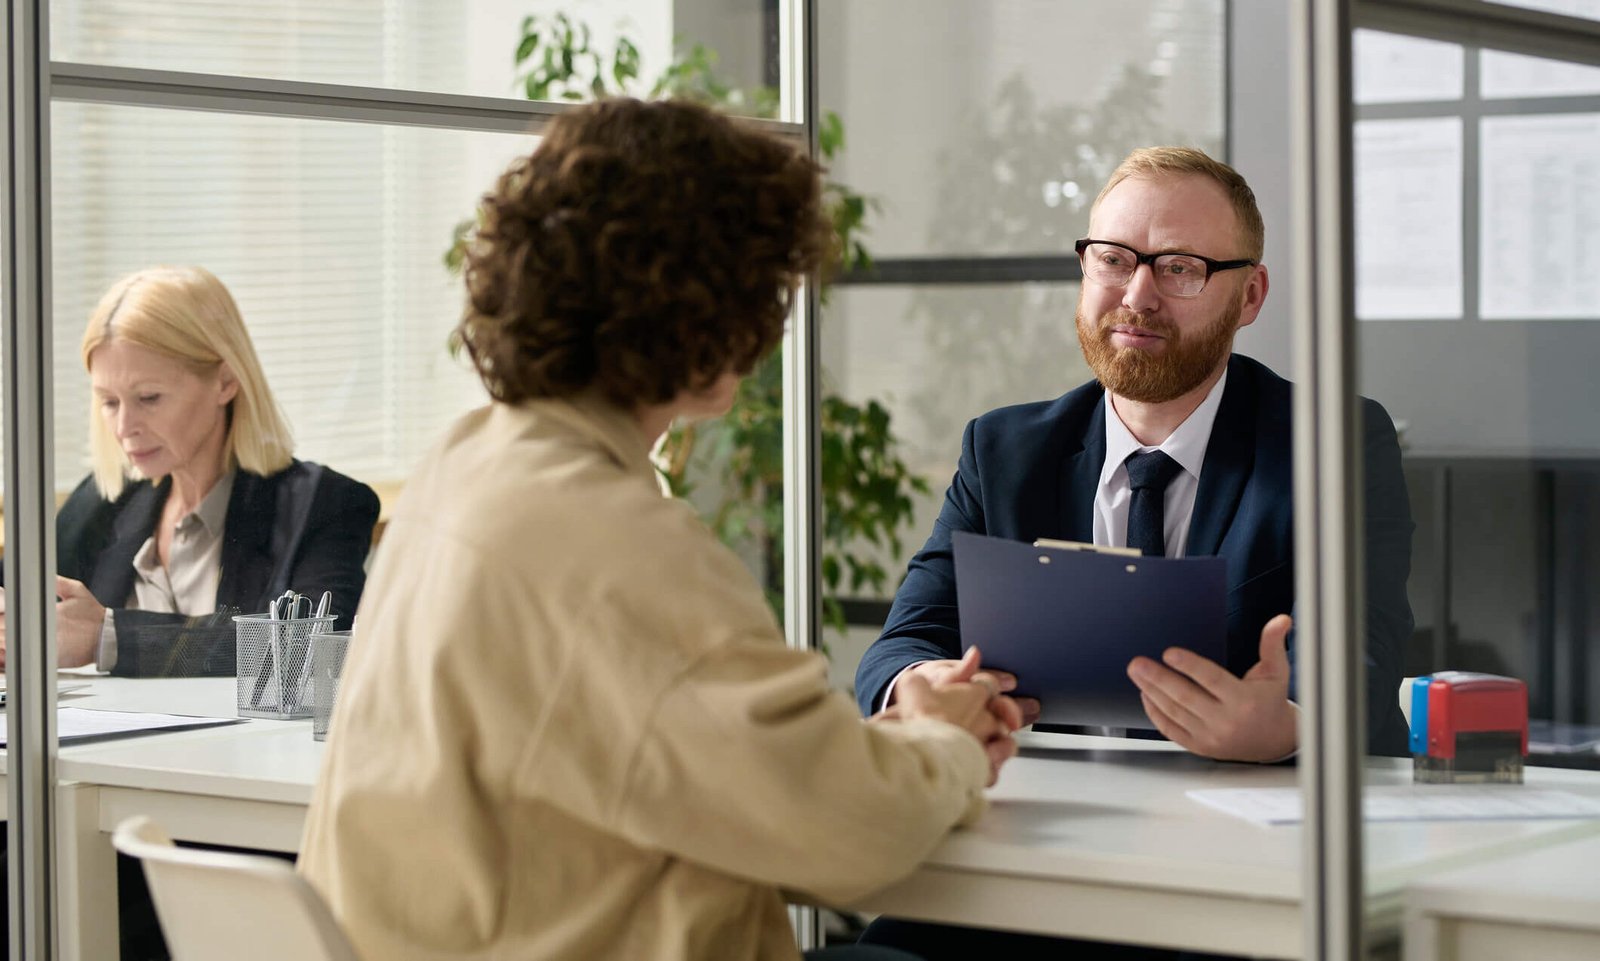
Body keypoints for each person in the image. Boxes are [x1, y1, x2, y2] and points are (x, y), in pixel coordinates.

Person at [297, 97, 1023, 961]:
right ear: (711, 307)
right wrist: (945, 740)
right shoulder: (618, 539)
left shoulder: (459, 467)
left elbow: (708, 760)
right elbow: (846, 834)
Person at [850, 147, 1415, 960]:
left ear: (1249, 293)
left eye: (1180, 267)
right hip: (1024, 865)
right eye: (1113, 259)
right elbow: (903, 641)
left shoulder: (1335, 442)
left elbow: (1368, 657)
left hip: (1236, 885)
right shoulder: (1005, 449)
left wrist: (1288, 724)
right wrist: (922, 684)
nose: (1137, 294)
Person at [0, 265, 379, 677]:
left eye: (148, 397)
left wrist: (109, 636)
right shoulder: (103, 500)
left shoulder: (326, 504)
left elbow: (305, 652)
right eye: (109, 402)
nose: (125, 428)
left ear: (226, 382)